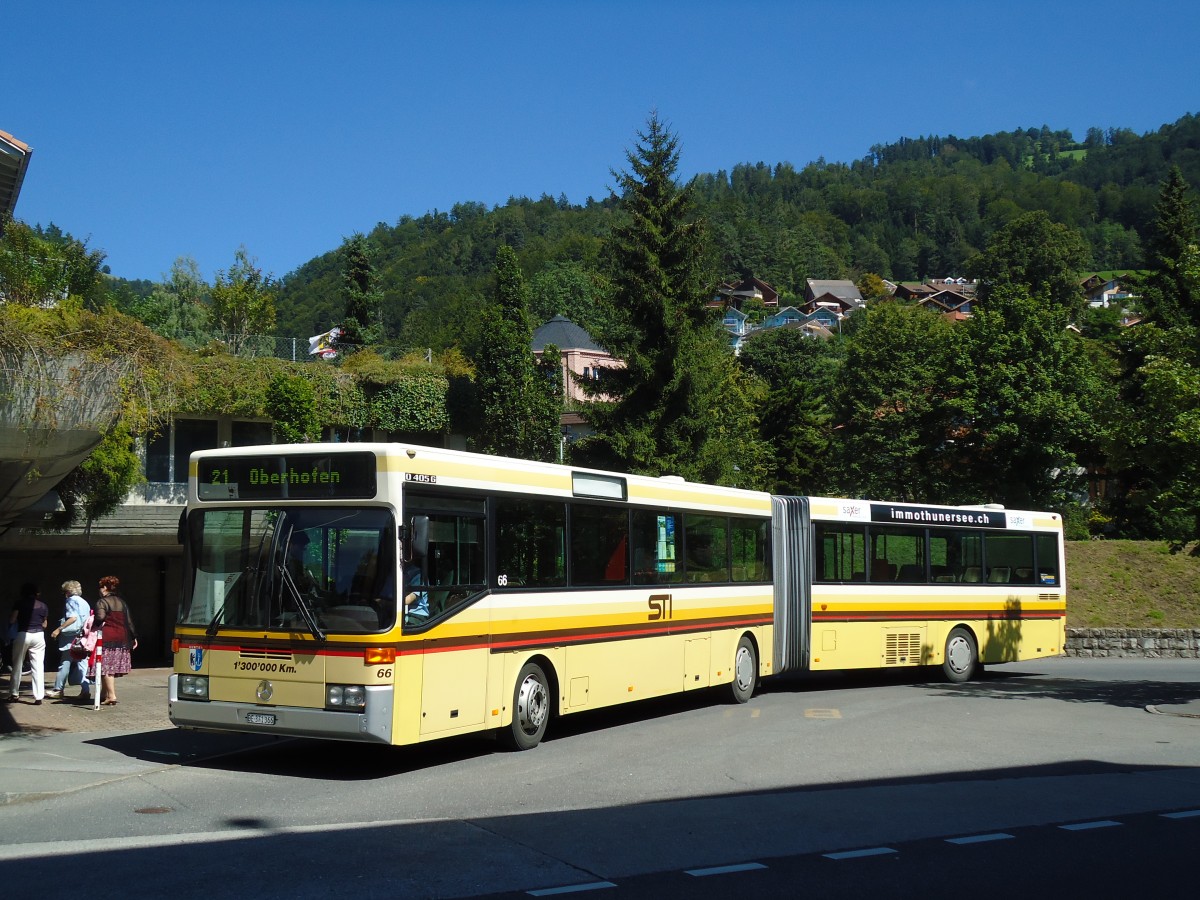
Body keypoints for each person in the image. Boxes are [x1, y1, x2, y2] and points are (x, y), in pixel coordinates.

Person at [93, 575, 138, 706]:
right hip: (122, 637)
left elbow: (100, 617)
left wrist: (93, 623)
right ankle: (103, 693)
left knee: (106, 667)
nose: (99, 590)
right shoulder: (122, 602)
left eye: (101, 587)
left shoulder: (102, 602)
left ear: (105, 588)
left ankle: (111, 696)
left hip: (107, 636)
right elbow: (129, 622)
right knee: (110, 667)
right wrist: (134, 637)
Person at [47, 580, 92, 700]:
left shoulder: (70, 601)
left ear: (67, 591)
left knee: (65, 662)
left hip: (71, 637)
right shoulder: (84, 602)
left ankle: (58, 689)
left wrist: (59, 629)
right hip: (83, 636)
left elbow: (73, 617)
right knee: (82, 663)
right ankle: (85, 690)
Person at [7, 583, 48, 704]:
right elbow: (45, 624)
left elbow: (12, 620)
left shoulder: (19, 603)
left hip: (23, 634)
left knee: (17, 664)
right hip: (39, 635)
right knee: (38, 666)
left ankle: (14, 694)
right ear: (36, 593)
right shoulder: (43, 606)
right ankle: (39, 696)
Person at [401, 540, 428, 624]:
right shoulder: (395, 573)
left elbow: (406, 600)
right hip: (400, 613)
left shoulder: (419, 575)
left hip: (416, 615)